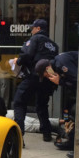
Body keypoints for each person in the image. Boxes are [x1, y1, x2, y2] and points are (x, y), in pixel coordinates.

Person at [11, 18, 59, 146]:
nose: (31, 31)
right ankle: (47, 133)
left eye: (32, 28)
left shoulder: (35, 39)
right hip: (48, 78)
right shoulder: (54, 45)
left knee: (19, 102)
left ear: (38, 29)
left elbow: (28, 55)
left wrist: (18, 61)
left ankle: (18, 136)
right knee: (42, 105)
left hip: (34, 75)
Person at [35, 51, 79, 156]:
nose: (47, 77)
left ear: (47, 68)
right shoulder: (57, 65)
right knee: (70, 111)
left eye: (45, 75)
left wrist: (60, 82)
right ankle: (72, 142)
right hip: (78, 91)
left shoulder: (61, 63)